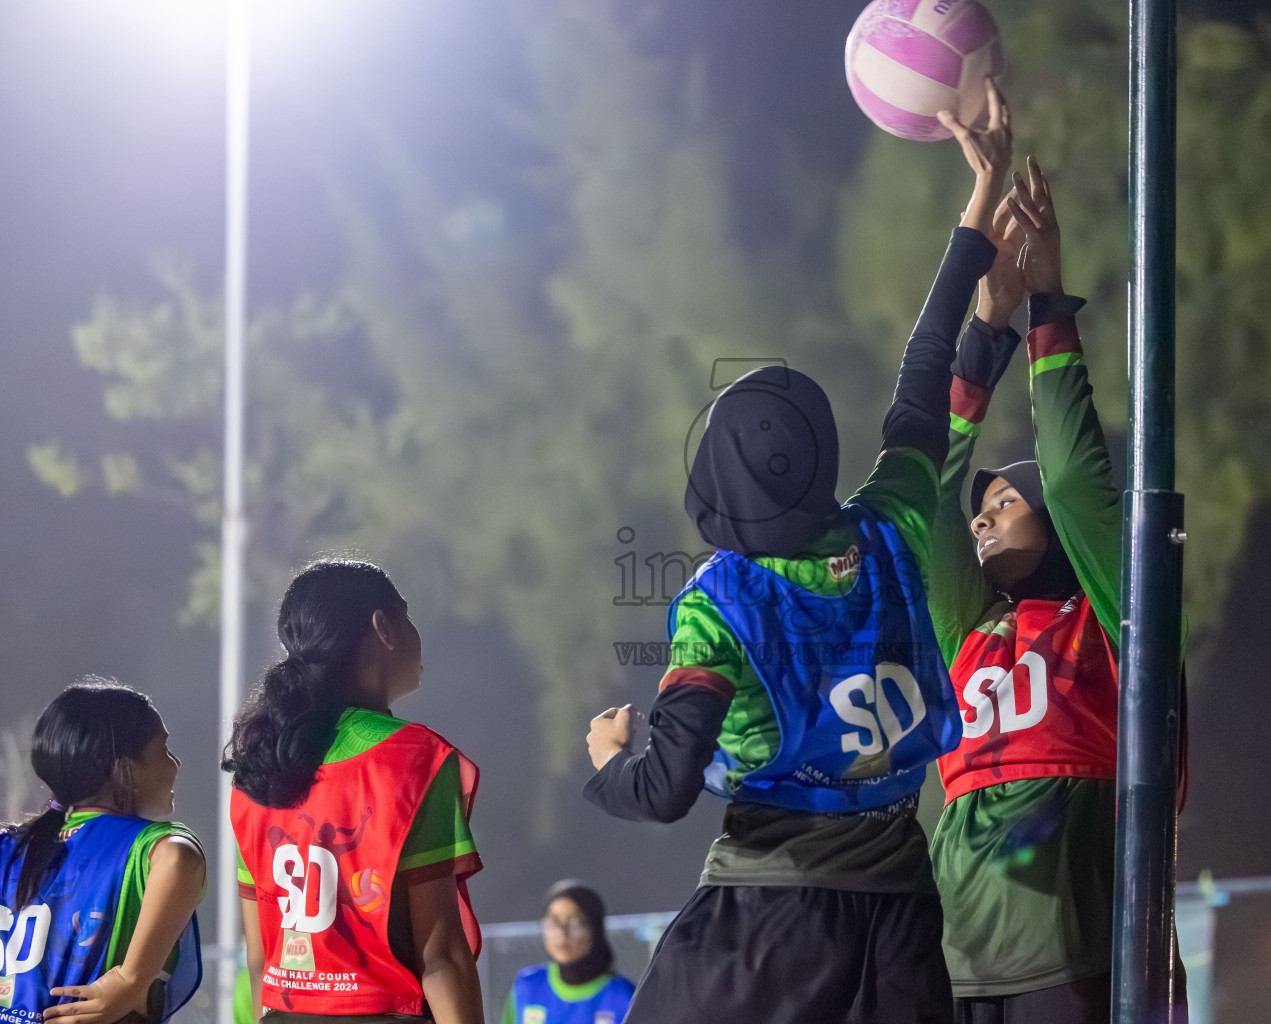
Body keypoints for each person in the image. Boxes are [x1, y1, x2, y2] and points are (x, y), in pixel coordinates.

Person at [581, 79, 1016, 1024]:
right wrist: (978, 224)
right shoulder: (894, 524)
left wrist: (610, 760)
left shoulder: (719, 599)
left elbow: (662, 792)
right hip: (899, 924)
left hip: (766, 915)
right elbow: (923, 378)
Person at [924, 160, 1187, 1023]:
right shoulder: (969, 629)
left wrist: (1045, 311)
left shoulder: (1112, 620)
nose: (983, 519)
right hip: (959, 956)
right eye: (983, 511)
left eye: (1006, 502)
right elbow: (928, 495)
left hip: (1080, 950)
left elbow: (1075, 482)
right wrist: (982, 331)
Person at [223, 559, 484, 1024]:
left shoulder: (257, 769)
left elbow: (261, 959)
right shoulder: (413, 758)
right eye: (406, 616)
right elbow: (440, 955)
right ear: (383, 628)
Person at [0, 680, 204, 1024]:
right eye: (163, 749)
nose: (176, 763)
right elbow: (180, 859)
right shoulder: (147, 845)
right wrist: (130, 980)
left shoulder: (11, 846)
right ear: (124, 766)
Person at [501, 882, 634, 1024]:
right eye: (553, 923)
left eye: (575, 923)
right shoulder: (527, 986)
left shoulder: (625, 997)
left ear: (595, 929)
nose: (562, 933)